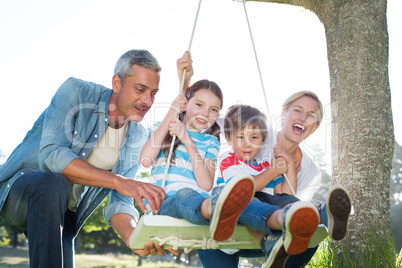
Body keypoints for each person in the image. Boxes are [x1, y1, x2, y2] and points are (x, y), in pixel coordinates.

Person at [0, 49, 193, 267]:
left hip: (65, 215)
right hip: (21, 193)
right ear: (117, 84)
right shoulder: (76, 92)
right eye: (140, 89)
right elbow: (52, 155)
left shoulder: (137, 136)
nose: (147, 101)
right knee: (54, 182)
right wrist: (119, 181)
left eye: (153, 93)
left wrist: (133, 236)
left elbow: (121, 200)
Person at [198, 92, 352, 268]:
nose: (303, 118)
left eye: (311, 115)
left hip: (273, 233)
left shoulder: (303, 170)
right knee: (245, 199)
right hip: (225, 230)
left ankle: (323, 213)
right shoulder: (255, 128)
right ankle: (272, 239)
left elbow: (287, 195)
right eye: (298, 110)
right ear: (284, 114)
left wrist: (289, 167)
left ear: (315, 127)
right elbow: (204, 117)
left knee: (302, 224)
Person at [139, 79, 258, 242]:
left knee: (219, 191)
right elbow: (145, 160)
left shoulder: (211, 142)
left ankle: (225, 212)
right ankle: (217, 212)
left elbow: (206, 184)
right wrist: (171, 113)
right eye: (199, 105)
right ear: (186, 103)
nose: (205, 113)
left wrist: (187, 140)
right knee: (184, 195)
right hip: (165, 205)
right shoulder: (163, 128)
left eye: (213, 109)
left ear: (217, 115)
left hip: (199, 204)